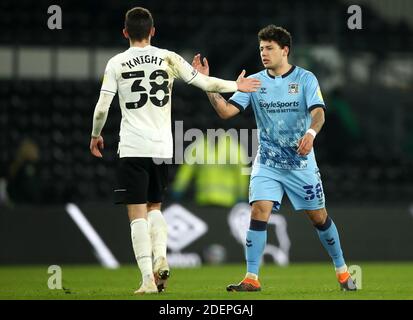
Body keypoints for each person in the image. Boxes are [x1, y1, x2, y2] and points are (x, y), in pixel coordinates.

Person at [89, 7, 260, 295]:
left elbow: (103, 107)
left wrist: (95, 135)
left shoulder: (116, 63)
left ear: (125, 32)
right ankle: (161, 257)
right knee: (155, 207)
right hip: (162, 147)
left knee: (137, 214)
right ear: (153, 31)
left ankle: (147, 279)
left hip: (132, 147)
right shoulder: (168, 57)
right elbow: (205, 82)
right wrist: (237, 85)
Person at [192, 25, 357, 292]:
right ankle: (251, 278)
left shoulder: (305, 79)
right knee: (258, 212)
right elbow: (224, 112)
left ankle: (341, 271)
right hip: (267, 163)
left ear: (285, 50)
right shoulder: (254, 82)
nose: (264, 53)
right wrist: (207, 84)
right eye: (261, 49)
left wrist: (311, 133)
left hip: (301, 164)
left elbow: (319, 114)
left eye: (269, 48)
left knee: (319, 218)